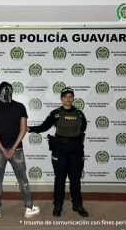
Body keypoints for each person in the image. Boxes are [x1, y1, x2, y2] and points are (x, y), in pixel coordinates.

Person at [28, 87, 89, 217]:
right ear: (61, 99)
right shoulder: (56, 113)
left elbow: (83, 127)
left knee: (75, 179)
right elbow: (44, 127)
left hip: (76, 150)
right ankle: (58, 206)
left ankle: (77, 205)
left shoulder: (79, 113)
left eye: (70, 96)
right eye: (65, 96)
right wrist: (29, 128)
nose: (68, 99)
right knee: (60, 179)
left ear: (73, 98)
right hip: (60, 150)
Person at [0, 81, 40, 219]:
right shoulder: (20, 106)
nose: (6, 93)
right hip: (16, 149)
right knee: (22, 179)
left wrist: (3, 149)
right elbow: (23, 129)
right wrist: (14, 148)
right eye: (6, 91)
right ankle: (29, 208)